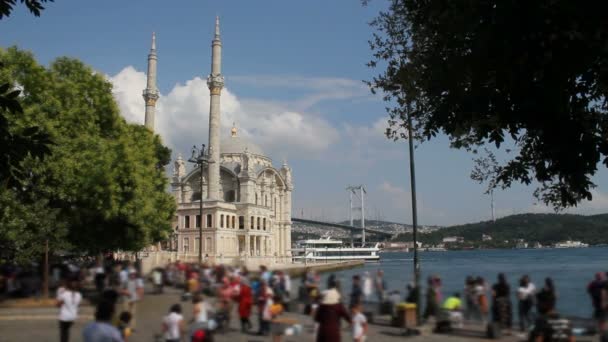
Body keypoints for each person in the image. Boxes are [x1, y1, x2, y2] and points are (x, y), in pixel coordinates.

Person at [315, 276, 351, 342]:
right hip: (334, 332)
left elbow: (317, 318)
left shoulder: (322, 305)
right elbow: (348, 317)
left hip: (323, 332)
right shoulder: (339, 305)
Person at [587, 272, 607, 340]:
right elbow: (603, 293)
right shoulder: (602, 283)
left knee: (600, 318)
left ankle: (601, 333)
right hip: (601, 304)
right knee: (602, 319)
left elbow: (588, 290)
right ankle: (603, 335)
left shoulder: (593, 283)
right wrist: (603, 301)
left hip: (598, 304)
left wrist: (593, 297)